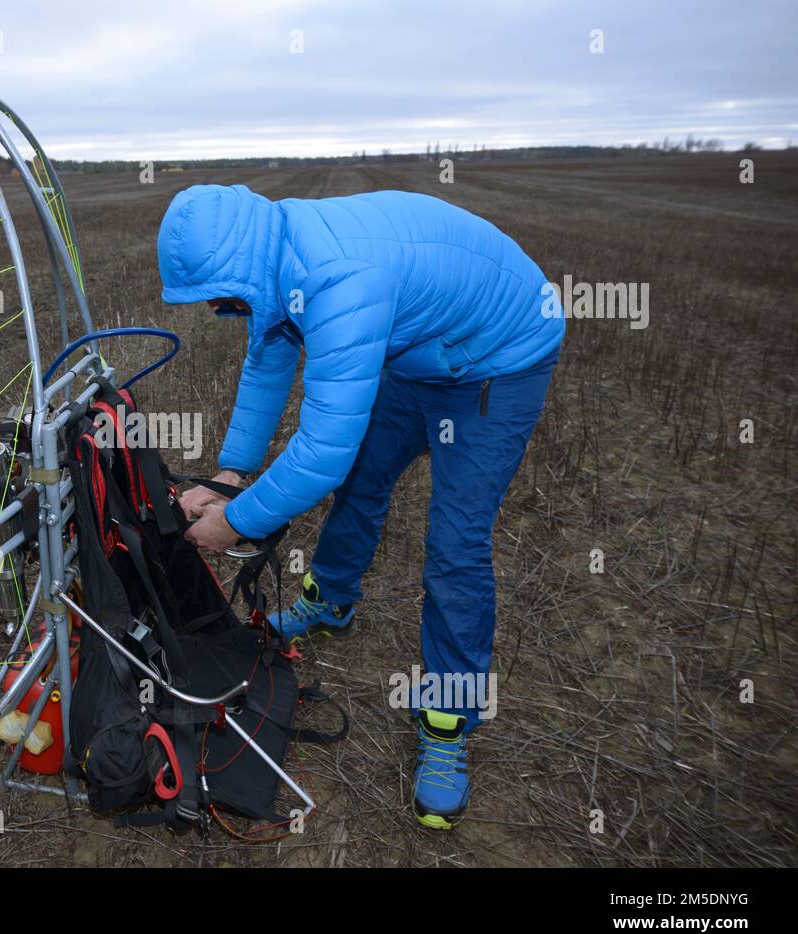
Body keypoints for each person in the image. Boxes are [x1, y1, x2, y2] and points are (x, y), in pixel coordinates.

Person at [160, 183, 564, 829]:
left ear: (242, 267)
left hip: (499, 358)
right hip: (420, 352)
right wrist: (229, 478)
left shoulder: (337, 280)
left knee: (456, 544)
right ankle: (332, 601)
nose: (214, 307)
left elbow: (321, 452)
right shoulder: (276, 262)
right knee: (364, 480)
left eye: (217, 294)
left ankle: (446, 720)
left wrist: (231, 524)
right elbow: (268, 364)